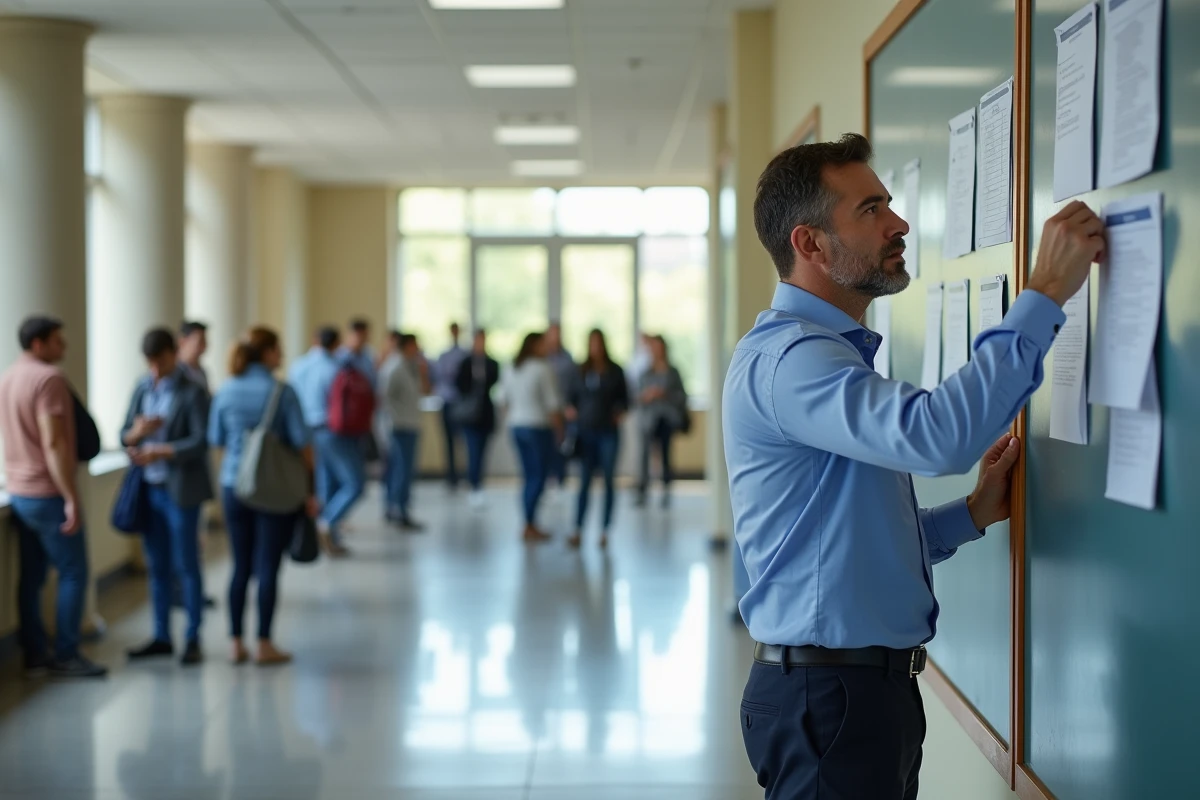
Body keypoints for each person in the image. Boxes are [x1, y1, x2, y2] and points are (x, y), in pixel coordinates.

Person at [725, 134, 1105, 798]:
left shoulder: (825, 356)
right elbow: (937, 438)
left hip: (856, 694)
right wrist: (1045, 292)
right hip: (831, 700)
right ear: (810, 243)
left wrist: (972, 514)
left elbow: (844, 544)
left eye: (889, 204)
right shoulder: (794, 361)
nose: (898, 223)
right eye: (871, 209)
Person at [0, 317, 107, 679]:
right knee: (75, 572)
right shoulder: (49, 380)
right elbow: (54, 442)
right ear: (38, 343)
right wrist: (70, 496)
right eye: (58, 341)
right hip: (46, 492)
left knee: (31, 578)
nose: (64, 347)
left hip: (18, 490)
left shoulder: (9, 377)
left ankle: (34, 653)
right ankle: (66, 653)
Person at [209, 326, 315, 666]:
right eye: (278, 349)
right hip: (274, 490)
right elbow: (304, 446)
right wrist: (310, 490)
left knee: (240, 565)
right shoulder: (281, 392)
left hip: (233, 486)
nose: (281, 356)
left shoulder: (226, 390)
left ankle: (235, 642)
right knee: (268, 566)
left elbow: (218, 440)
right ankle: (264, 643)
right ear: (266, 352)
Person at [120, 328, 213, 666]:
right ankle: (162, 635)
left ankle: (193, 637)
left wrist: (163, 450)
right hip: (149, 489)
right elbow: (124, 434)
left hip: (181, 490)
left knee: (186, 564)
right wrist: (137, 434)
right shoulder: (142, 386)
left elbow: (202, 441)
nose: (155, 370)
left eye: (160, 362)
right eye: (150, 364)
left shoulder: (193, 391)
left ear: (174, 354)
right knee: (156, 565)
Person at [288, 325, 353, 558]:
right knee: (352, 483)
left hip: (303, 430)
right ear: (335, 344)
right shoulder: (335, 369)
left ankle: (329, 533)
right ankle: (326, 524)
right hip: (327, 430)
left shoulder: (299, 365)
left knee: (322, 484)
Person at [567, 329, 628, 549]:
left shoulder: (615, 370)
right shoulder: (581, 371)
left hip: (607, 433)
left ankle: (605, 529)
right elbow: (570, 398)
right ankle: (578, 528)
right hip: (586, 433)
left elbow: (625, 401)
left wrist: (617, 414)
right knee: (584, 481)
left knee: (609, 480)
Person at [501, 332, 563, 543]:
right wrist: (560, 430)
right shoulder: (543, 369)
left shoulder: (511, 368)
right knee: (537, 476)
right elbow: (553, 405)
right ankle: (529, 522)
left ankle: (528, 521)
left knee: (528, 476)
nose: (548, 348)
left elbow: (503, 400)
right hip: (537, 427)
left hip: (517, 426)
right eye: (544, 344)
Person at [381, 331, 429, 530]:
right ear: (407, 346)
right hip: (399, 427)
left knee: (403, 470)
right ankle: (398, 510)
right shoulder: (394, 367)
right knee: (401, 471)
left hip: (409, 424)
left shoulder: (411, 367)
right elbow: (384, 398)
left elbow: (423, 391)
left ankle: (397, 507)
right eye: (415, 345)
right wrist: (392, 423)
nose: (418, 349)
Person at [635, 335, 688, 509]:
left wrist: (664, 394)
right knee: (645, 454)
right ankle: (643, 490)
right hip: (649, 420)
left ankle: (665, 489)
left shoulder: (672, 372)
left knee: (665, 454)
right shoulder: (645, 373)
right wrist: (648, 396)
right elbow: (637, 397)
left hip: (666, 418)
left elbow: (682, 397)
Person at [454, 329, 500, 509]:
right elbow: (459, 385)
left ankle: (479, 484)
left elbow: (494, 381)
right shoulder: (466, 363)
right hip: (469, 416)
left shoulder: (491, 363)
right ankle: (474, 485)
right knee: (473, 452)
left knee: (482, 453)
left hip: (485, 415)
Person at [433, 322, 469, 490]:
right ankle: (451, 475)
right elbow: (438, 378)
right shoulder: (443, 355)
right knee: (448, 441)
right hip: (447, 402)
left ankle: (465, 474)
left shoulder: (464, 354)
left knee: (464, 440)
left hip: (461, 402)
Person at [543, 322, 575, 488]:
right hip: (544, 411)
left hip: (563, 408)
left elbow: (573, 383)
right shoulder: (541, 357)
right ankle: (547, 477)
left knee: (562, 445)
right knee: (546, 445)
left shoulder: (567, 358)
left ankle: (560, 479)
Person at [177, 320, 210, 394]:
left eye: (205, 341)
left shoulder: (201, 371)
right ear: (182, 342)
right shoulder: (174, 373)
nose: (204, 346)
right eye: (200, 341)